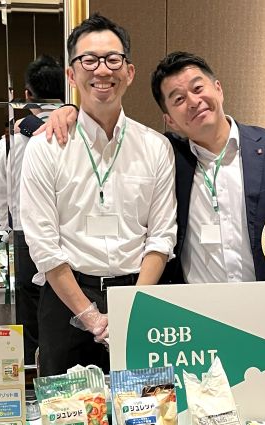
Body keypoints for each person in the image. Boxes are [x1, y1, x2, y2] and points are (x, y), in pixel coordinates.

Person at [44, 51, 265, 284]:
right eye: (178, 99)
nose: (193, 101)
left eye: (198, 88)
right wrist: (70, 111)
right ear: (170, 121)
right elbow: (113, 134)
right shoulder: (165, 156)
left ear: (218, 89)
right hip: (195, 315)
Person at [20, 14, 176, 376]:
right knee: (67, 410)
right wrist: (90, 316)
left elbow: (162, 236)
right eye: (89, 60)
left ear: (129, 72)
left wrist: (131, 307)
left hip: (138, 296)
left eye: (112, 59)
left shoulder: (156, 147)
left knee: (146, 407)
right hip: (66, 301)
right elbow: (42, 243)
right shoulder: (45, 147)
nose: (102, 70)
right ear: (71, 75)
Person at [0, 54, 65, 365]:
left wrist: (10, 232)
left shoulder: (11, 139)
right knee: (66, 313)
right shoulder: (78, 131)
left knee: (30, 317)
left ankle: (33, 376)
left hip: (25, 236)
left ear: (27, 94)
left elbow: (1, 195)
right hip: (68, 236)